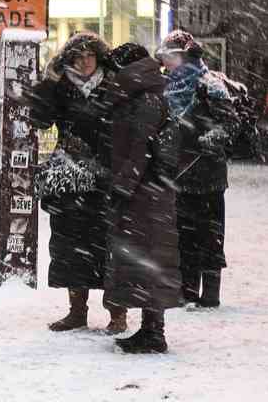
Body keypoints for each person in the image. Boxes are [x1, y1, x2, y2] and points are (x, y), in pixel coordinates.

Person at [27, 32, 127, 333]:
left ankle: (117, 313)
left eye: (89, 57)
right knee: (71, 245)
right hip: (70, 176)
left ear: (99, 58)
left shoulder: (114, 85)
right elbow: (40, 119)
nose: (84, 63)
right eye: (78, 58)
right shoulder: (61, 88)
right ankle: (76, 310)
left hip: (106, 177)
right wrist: (49, 81)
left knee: (110, 246)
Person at [102, 43, 182, 353]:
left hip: (145, 194)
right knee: (147, 258)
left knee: (149, 259)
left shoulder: (145, 99)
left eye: (114, 69)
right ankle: (150, 329)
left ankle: (154, 332)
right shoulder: (142, 94)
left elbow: (140, 148)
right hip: (146, 192)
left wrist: (123, 186)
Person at [156, 30, 239, 309]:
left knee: (210, 234)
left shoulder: (209, 84)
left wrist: (211, 139)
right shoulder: (166, 87)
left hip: (208, 175)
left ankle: (210, 292)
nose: (165, 62)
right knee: (183, 234)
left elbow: (230, 123)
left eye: (169, 57)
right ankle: (187, 290)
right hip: (178, 174)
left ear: (182, 56)